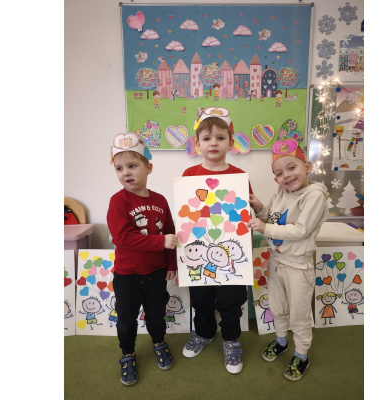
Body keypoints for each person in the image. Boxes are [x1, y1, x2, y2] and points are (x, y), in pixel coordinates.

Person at [246, 138, 329, 382]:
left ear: (308, 166)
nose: (287, 176)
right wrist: (260, 208)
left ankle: (301, 355)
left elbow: (300, 230)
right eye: (279, 173)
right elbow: (272, 219)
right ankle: (281, 341)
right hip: (277, 261)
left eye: (292, 167)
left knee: (299, 315)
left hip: (299, 266)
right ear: (276, 179)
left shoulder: (314, 196)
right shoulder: (281, 192)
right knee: (277, 306)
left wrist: (264, 227)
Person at [181, 107, 252, 374]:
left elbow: (245, 212)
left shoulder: (239, 176)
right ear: (197, 144)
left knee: (231, 301)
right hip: (199, 251)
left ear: (230, 143)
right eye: (207, 138)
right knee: (200, 298)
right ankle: (204, 332)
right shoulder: (189, 175)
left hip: (230, 252)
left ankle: (231, 340)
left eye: (220, 138)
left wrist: (254, 206)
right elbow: (185, 211)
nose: (213, 143)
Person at [107, 132, 178, 386]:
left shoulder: (160, 200)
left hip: (156, 272)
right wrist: (161, 242)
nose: (125, 172)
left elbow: (170, 233)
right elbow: (123, 237)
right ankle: (127, 353)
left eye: (132, 166)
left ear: (148, 167)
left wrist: (171, 263)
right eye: (119, 168)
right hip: (127, 275)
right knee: (126, 319)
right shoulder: (118, 201)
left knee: (156, 314)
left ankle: (159, 342)